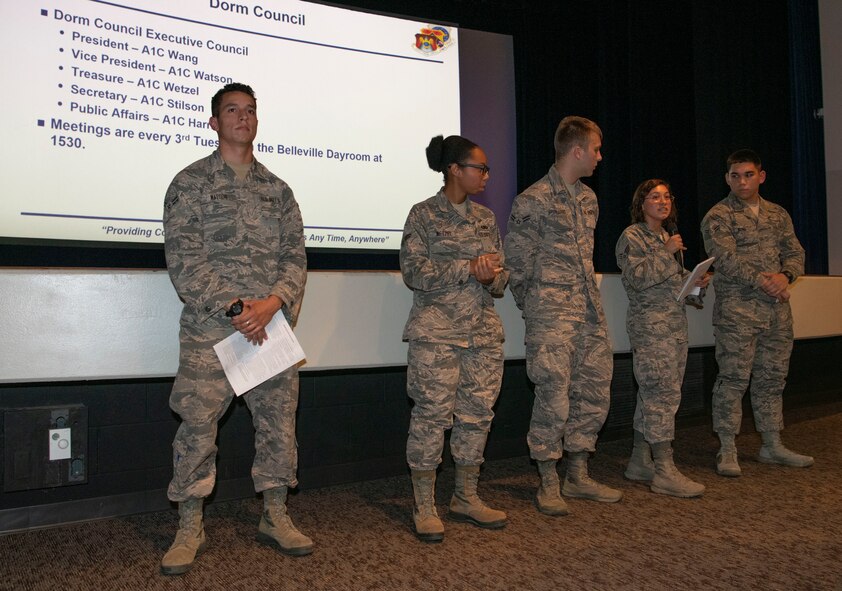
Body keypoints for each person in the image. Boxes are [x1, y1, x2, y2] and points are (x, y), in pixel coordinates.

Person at [161, 83, 311, 575]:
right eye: (232, 110)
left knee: (277, 428)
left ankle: (275, 515)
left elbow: (295, 258)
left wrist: (271, 304)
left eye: (250, 111)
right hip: (214, 331)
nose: (242, 117)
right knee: (198, 429)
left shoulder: (279, 190)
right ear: (214, 122)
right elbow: (185, 260)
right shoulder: (189, 184)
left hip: (269, 327)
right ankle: (189, 525)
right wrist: (236, 308)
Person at [504, 116, 622, 517]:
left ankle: (578, 473)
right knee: (553, 397)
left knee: (594, 391)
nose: (599, 157)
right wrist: (539, 307)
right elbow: (516, 267)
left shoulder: (589, 199)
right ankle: (548, 480)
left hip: (588, 314)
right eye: (596, 149)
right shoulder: (532, 200)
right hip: (551, 317)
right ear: (577, 150)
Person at [400, 134, 509, 542]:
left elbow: (501, 279)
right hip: (437, 334)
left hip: (482, 333)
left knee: (477, 416)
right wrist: (468, 267)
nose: (485, 175)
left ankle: (465, 495)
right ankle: (424, 504)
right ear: (454, 170)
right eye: (478, 168)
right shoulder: (423, 215)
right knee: (431, 417)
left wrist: (493, 277)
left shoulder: (485, 219)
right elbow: (414, 272)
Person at [701, 149, 812, 477]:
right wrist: (768, 282)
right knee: (733, 380)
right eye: (735, 175)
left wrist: (786, 276)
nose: (742, 181)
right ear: (727, 179)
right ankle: (727, 448)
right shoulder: (718, 216)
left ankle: (771, 444)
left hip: (776, 314)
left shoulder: (778, 214)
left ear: (760, 176)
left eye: (748, 174)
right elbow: (725, 260)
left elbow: (795, 251)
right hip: (738, 313)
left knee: (772, 379)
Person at [615, 179, 709, 498]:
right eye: (654, 197)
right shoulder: (633, 236)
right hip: (651, 328)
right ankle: (664, 471)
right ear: (641, 204)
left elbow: (675, 287)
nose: (663, 201)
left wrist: (696, 282)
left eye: (667, 196)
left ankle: (641, 462)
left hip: (674, 327)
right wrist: (664, 253)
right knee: (661, 396)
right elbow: (637, 279)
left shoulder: (667, 236)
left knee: (653, 396)